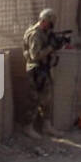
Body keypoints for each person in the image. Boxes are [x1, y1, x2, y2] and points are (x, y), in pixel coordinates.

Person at [21, 8, 65, 137]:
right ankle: (27, 127)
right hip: (35, 70)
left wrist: (56, 44)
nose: (51, 27)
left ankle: (47, 126)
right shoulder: (35, 34)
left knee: (47, 99)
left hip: (43, 70)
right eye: (50, 24)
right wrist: (51, 47)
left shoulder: (44, 32)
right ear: (45, 21)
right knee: (34, 99)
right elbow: (35, 55)